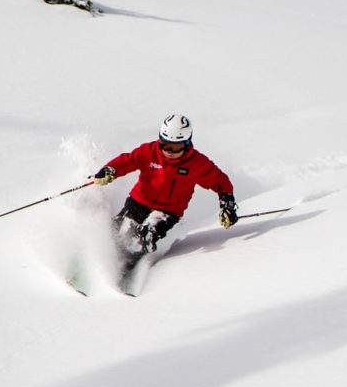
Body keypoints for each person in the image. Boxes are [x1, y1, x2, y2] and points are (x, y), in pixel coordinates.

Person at [91, 114, 237, 277]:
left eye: (176, 147)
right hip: (139, 201)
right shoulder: (149, 151)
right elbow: (127, 161)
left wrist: (227, 204)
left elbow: (220, 181)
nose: (170, 152)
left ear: (188, 143)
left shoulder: (197, 164)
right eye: (166, 145)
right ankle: (97, 260)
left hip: (168, 212)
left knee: (146, 235)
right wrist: (110, 170)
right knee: (119, 228)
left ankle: (125, 268)